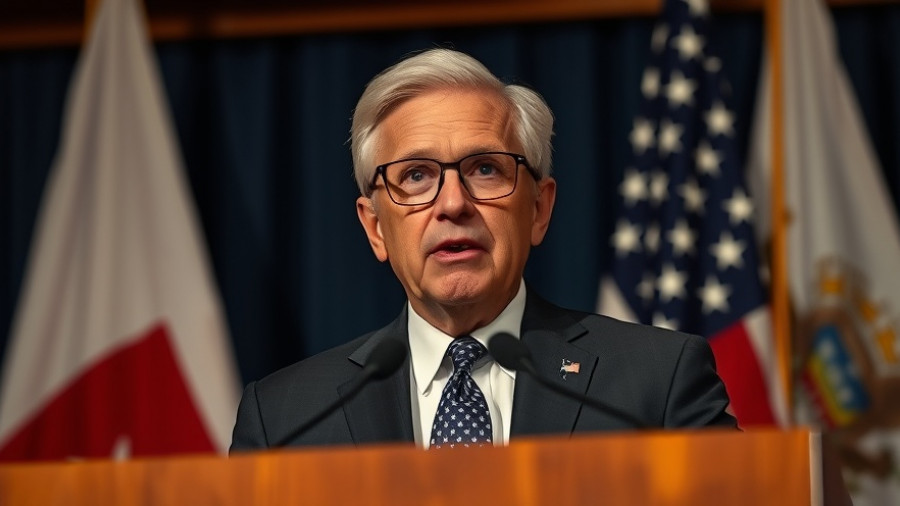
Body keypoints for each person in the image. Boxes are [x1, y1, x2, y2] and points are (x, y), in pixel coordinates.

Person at [230, 48, 736, 451]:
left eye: (486, 169)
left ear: (539, 208)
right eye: (416, 175)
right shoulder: (284, 420)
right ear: (375, 228)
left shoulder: (658, 384)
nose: (453, 204)